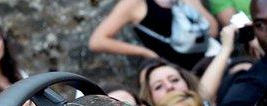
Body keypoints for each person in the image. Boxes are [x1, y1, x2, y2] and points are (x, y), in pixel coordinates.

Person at [88, 0, 218, 70]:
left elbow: (213, 30)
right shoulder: (133, 3)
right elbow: (97, 41)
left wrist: (192, 2)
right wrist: (146, 53)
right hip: (179, 72)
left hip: (212, 58)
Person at [139, 24, 240, 106]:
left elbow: (204, 92)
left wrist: (226, 47)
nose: (170, 87)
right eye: (158, 86)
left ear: (188, 84)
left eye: (175, 80)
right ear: (149, 98)